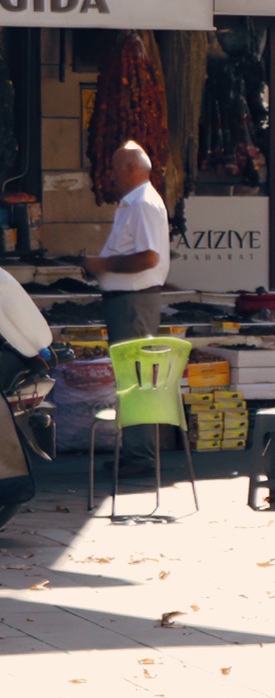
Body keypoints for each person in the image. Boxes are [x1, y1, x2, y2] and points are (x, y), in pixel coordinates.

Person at [83, 143, 169, 470]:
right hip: (129, 300)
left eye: (117, 168)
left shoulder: (143, 203)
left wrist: (101, 265)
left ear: (131, 168)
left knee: (135, 379)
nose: (113, 176)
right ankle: (136, 452)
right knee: (131, 378)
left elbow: (148, 257)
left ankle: (141, 455)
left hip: (133, 301)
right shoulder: (137, 202)